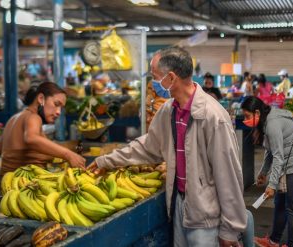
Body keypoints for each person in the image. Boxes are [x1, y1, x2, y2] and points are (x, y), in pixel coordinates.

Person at [88, 47, 247, 247]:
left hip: (206, 215)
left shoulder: (213, 117)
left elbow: (229, 175)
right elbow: (147, 146)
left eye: (155, 77)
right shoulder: (168, 111)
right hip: (180, 205)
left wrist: (230, 229)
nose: (153, 84)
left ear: (171, 78)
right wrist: (106, 160)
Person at [240, 96, 293, 247]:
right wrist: (263, 172)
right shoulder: (266, 120)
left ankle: (291, 244)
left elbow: (278, 157)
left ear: (257, 112)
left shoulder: (272, 124)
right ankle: (273, 241)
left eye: (247, 116)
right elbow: (271, 150)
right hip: (288, 163)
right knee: (280, 203)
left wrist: (272, 185)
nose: (245, 120)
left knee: (292, 208)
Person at [0, 82, 86, 195]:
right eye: (56, 104)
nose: (58, 112)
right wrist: (69, 155)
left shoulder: (14, 118)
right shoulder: (34, 117)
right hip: (21, 187)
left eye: (61, 108)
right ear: (41, 98)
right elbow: (31, 139)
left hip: (2, 183)